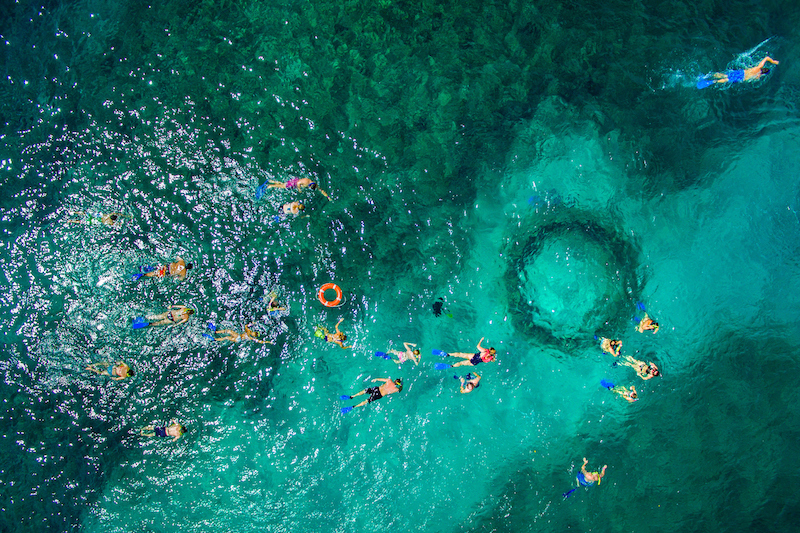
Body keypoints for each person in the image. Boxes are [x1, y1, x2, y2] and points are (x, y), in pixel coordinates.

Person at [710, 56, 779, 85]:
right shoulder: (758, 76)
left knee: (726, 75)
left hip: (742, 72)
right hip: (742, 78)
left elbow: (766, 58)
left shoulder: (758, 67)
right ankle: (714, 81)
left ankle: (711, 75)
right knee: (727, 79)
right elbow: (751, 81)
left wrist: (773, 61)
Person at [267, 177, 331, 199]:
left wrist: (327, 196)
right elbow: (298, 183)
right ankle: (271, 185)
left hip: (295, 182)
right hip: (294, 183)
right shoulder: (306, 181)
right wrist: (299, 189)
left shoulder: (314, 184)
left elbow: (321, 190)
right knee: (283, 187)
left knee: (284, 184)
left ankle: (273, 181)